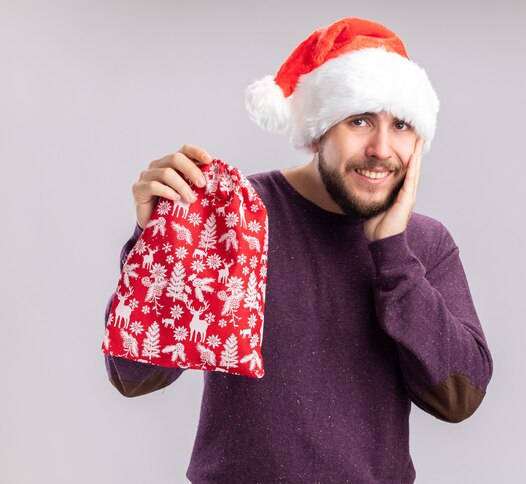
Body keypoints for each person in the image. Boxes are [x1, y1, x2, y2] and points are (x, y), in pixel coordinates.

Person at [104, 17, 493, 483]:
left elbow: (458, 398)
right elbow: (134, 376)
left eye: (403, 125)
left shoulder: (424, 245)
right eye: (360, 120)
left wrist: (392, 252)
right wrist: (159, 250)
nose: (382, 148)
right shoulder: (237, 217)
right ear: (317, 130)